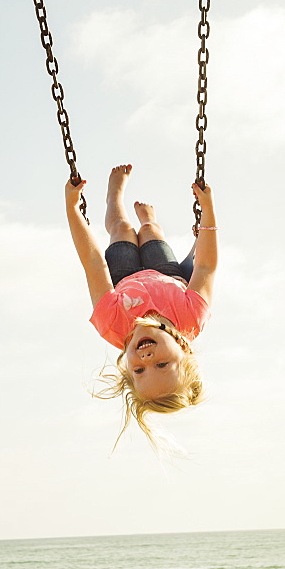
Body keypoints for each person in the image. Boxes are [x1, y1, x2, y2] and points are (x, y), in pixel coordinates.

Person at [65, 164, 217, 444]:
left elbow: (94, 264)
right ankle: (149, 220)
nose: (146, 361)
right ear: (183, 348)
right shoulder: (192, 318)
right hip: (167, 274)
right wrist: (208, 210)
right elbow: (205, 267)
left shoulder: (112, 324)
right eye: (162, 364)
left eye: (138, 371)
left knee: (122, 228)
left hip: (123, 278)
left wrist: (73, 210)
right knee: (148, 230)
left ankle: (115, 197)